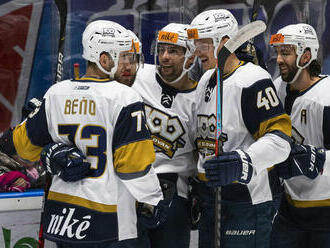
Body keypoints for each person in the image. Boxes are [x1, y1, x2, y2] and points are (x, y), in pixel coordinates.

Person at [0, 20, 169, 248]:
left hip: (64, 220)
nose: (127, 64)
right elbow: (133, 168)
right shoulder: (124, 97)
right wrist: (153, 199)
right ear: (104, 59)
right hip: (110, 222)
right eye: (121, 56)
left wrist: (46, 145)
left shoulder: (56, 94)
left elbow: (20, 147)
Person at [187, 9, 292, 248]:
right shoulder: (206, 79)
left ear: (225, 42)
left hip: (248, 201)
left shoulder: (253, 79)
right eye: (196, 44)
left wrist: (243, 161)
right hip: (211, 199)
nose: (197, 51)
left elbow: (281, 140)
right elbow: (203, 139)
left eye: (203, 44)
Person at [129, 22, 198, 248]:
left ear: (190, 56)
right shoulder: (138, 75)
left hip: (173, 192)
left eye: (174, 51)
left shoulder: (201, 98)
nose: (164, 57)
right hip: (131, 186)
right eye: (161, 50)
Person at [269, 23, 330, 248]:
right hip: (290, 210)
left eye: (286, 53)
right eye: (277, 52)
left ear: (306, 56)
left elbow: (314, 158)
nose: (278, 59)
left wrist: (318, 157)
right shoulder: (277, 89)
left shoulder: (326, 97)